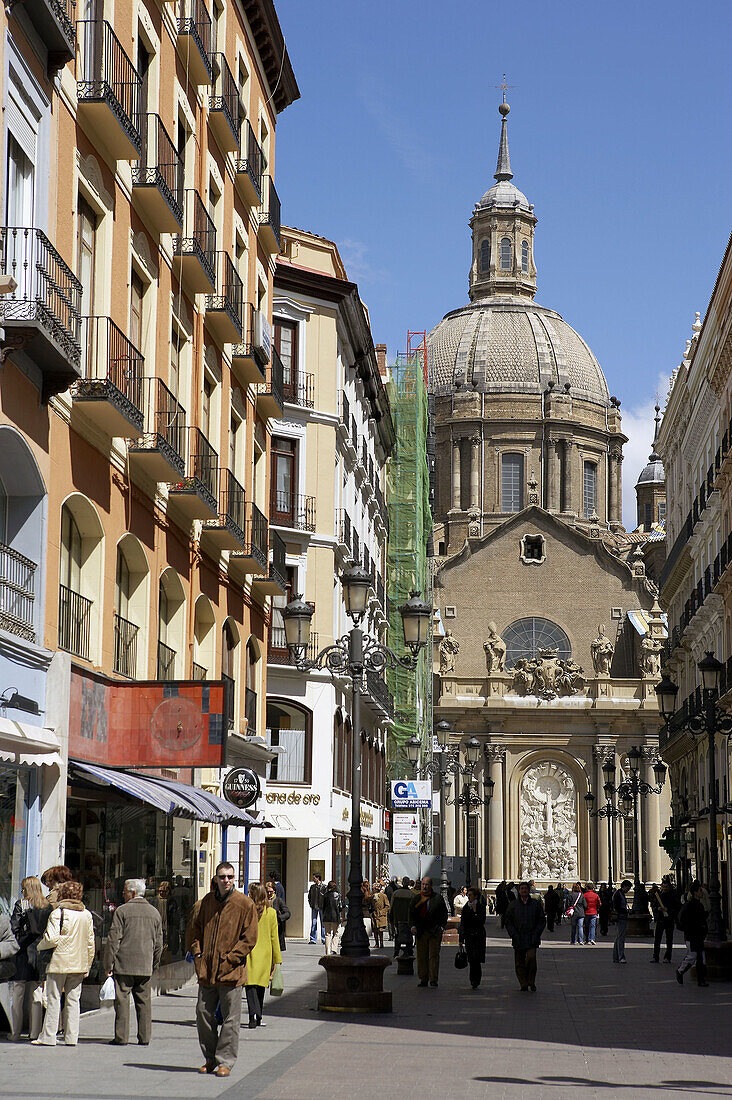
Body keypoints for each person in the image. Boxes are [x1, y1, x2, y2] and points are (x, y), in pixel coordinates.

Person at [188, 861, 258, 1078]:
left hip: (231, 972)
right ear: (215, 878)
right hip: (207, 971)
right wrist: (198, 954)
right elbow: (194, 930)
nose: (226, 880)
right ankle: (210, 1058)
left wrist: (231, 958)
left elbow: (250, 938)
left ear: (234, 878)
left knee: (230, 1019)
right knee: (203, 1014)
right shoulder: (205, 903)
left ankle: (225, 1061)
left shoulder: (244, 904)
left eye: (229, 877)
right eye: (222, 876)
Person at [32, 881, 95, 1047]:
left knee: (53, 999)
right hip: (79, 963)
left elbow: (51, 939)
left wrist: (39, 946)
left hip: (59, 962)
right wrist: (88, 964)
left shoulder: (58, 913)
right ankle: (71, 1037)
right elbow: (90, 943)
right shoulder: (86, 914)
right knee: (74, 1001)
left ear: (62, 894)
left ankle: (48, 1036)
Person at [103, 878, 163, 1046]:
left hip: (124, 964)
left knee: (122, 1001)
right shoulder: (154, 913)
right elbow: (158, 943)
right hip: (145, 965)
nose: (123, 894)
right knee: (144, 1002)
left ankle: (121, 1037)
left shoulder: (122, 911)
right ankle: (144, 1037)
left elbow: (114, 939)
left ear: (133, 893)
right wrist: (154, 964)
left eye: (124, 892)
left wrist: (108, 964)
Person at [10, 876, 51, 1041]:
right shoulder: (48, 907)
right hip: (40, 953)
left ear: (26, 889)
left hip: (23, 953)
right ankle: (35, 1032)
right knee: (37, 994)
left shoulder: (22, 904)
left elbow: (14, 927)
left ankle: (15, 1032)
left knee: (18, 994)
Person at [244, 883, 281, 1027]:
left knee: (250, 986)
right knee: (260, 986)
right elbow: (274, 937)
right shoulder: (270, 913)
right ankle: (259, 1016)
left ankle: (252, 1016)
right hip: (265, 954)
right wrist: (277, 959)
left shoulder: (247, 911)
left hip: (249, 952)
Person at [504, 881, 546, 992]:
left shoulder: (535, 904)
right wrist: (513, 934)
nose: (524, 890)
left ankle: (531, 981)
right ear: (519, 891)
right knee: (519, 962)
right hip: (518, 937)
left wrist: (537, 933)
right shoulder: (513, 905)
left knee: (531, 959)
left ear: (528, 890)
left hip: (532, 937)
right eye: (522, 889)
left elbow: (541, 920)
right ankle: (523, 982)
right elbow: (508, 921)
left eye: (525, 889)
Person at [410, 876, 448, 988]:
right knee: (422, 956)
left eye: (427, 885)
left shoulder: (437, 898)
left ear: (431, 886)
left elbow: (443, 913)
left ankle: (433, 979)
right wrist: (412, 926)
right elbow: (411, 913)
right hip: (421, 931)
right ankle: (423, 979)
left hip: (434, 931)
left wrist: (441, 927)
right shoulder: (417, 898)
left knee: (433, 956)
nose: (424, 887)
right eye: (423, 884)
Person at [676, 881, 709, 987]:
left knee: (701, 957)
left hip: (698, 936)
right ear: (695, 892)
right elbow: (687, 920)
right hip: (692, 936)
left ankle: (701, 980)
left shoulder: (698, 905)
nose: (702, 892)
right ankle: (680, 971)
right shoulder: (690, 905)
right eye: (700, 890)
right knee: (692, 955)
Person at [459, 887, 486, 989]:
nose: (468, 897)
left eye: (470, 895)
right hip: (469, 936)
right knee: (471, 959)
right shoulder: (466, 907)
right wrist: (461, 939)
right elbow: (463, 924)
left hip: (478, 936)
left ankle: (476, 980)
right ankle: (472, 979)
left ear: (475, 896)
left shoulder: (480, 907)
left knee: (477, 959)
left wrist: (475, 911)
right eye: (468, 895)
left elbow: (481, 921)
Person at [651, 877, 680, 964]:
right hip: (660, 919)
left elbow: (677, 907)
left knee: (669, 939)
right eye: (663, 887)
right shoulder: (659, 896)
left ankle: (667, 957)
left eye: (666, 887)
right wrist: (658, 909)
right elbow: (654, 906)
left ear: (669, 887)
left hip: (669, 920)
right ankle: (655, 957)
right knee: (657, 939)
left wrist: (668, 909)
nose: (664, 888)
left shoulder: (672, 896)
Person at [390, 876, 415, 958]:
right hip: (409, 919)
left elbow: (392, 906)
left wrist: (391, 917)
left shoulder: (396, 893)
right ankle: (409, 950)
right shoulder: (412, 894)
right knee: (409, 935)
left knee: (398, 935)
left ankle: (396, 951)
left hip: (398, 919)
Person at [265, 881, 290, 954]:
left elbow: (287, 913)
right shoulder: (263, 901)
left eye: (271, 892)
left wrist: (279, 918)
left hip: (277, 929)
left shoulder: (278, 900)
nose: (269, 894)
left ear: (274, 891)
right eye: (267, 892)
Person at [321, 880, 344, 955]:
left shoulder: (325, 895)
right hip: (335, 917)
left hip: (326, 917)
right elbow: (341, 907)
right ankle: (334, 949)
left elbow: (323, 907)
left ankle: (327, 951)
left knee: (327, 934)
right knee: (336, 933)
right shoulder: (338, 895)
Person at [612, 879, 632, 963]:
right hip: (620, 917)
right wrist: (625, 911)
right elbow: (617, 907)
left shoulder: (621, 894)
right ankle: (621, 956)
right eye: (628, 888)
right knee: (621, 938)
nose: (628, 890)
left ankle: (616, 957)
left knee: (618, 937)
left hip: (622, 917)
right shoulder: (618, 894)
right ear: (624, 886)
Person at [308, 874, 326, 946]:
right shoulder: (312, 887)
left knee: (323, 923)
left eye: (314, 878)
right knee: (314, 923)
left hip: (321, 907)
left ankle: (324, 938)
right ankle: (313, 939)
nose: (313, 879)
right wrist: (311, 903)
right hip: (314, 906)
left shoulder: (324, 887)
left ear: (318, 878)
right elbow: (309, 896)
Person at [371, 883, 390, 949]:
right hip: (374, 915)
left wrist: (382, 912)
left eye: (373, 889)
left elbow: (387, 906)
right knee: (375, 930)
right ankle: (377, 943)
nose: (372, 890)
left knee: (380, 930)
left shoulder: (383, 896)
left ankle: (381, 943)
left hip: (381, 915)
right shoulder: (372, 897)